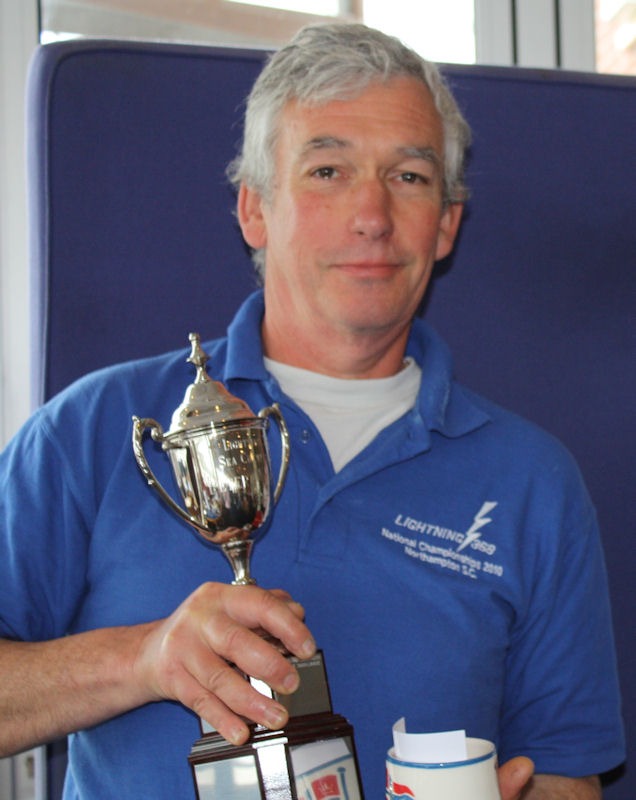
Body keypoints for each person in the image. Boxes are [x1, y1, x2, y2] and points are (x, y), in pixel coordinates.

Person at [0, 22, 624, 800]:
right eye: (327, 170)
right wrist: (140, 660)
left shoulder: (535, 483)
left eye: (410, 177)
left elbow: (566, 772)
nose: (371, 215)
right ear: (254, 211)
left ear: (447, 226)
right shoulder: (96, 432)